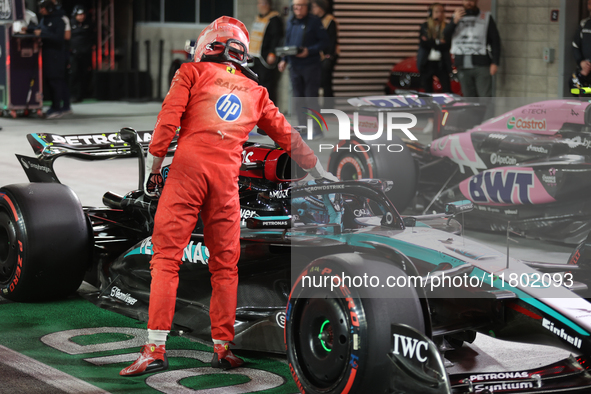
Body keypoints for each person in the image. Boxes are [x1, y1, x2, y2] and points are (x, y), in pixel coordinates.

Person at [120, 16, 337, 376]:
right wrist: (318, 170)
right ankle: (223, 348)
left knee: (166, 260)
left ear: (207, 45)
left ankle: (155, 348)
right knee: (225, 266)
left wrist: (155, 167)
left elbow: (167, 121)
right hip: (226, 181)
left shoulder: (190, 73)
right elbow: (287, 136)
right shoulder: (257, 92)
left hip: (188, 172)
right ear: (241, 53)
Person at [443, 0, 500, 97]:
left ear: (476, 1)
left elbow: (495, 41)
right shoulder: (456, 17)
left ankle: (488, 113)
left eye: (471, 0)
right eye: (466, 0)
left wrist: (495, 62)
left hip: (481, 65)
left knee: (485, 97)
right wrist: (454, 22)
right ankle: (472, 113)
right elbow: (445, 35)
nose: (469, 3)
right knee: (469, 98)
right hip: (462, 65)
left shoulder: (486, 17)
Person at [278, 0, 330, 98]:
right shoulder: (290, 21)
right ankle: (300, 114)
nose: (299, 8)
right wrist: (284, 60)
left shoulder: (314, 21)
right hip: (294, 66)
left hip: (310, 66)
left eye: (302, 5)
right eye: (296, 5)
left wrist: (309, 51)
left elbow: (325, 42)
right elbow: (287, 41)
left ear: (308, 7)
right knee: (297, 98)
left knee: (311, 98)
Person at [32, 0, 67, 119]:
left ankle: (58, 108)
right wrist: (28, 29)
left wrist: (42, 32)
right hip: (46, 55)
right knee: (48, 82)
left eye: (43, 8)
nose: (41, 10)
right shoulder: (44, 20)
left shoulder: (59, 21)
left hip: (56, 56)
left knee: (55, 81)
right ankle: (53, 106)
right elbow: (37, 29)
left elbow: (58, 38)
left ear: (49, 8)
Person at [250, 0, 283, 105]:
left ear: (268, 5)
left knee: (267, 84)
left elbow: (276, 38)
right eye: (259, 3)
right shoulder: (258, 18)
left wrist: (272, 53)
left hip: (265, 57)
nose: (260, 6)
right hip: (255, 56)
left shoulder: (274, 19)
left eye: (263, 3)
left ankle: (268, 109)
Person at [417, 3, 452, 93]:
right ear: (431, 13)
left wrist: (431, 41)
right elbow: (424, 43)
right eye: (436, 11)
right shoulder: (425, 26)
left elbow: (446, 45)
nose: (439, 14)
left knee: (446, 89)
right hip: (427, 62)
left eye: (441, 12)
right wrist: (438, 42)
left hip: (442, 63)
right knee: (427, 90)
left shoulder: (447, 27)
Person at [311, 0, 338, 98]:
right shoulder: (315, 20)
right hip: (317, 56)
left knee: (326, 82)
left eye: (314, 7)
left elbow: (332, 39)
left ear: (320, 7)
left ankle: (329, 108)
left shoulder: (330, 20)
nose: (313, 9)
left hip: (327, 56)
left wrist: (328, 56)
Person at [70, 5, 94, 102]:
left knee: (84, 74)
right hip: (74, 54)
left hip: (85, 53)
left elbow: (93, 38)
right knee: (74, 73)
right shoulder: (71, 24)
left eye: (83, 15)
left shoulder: (89, 24)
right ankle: (72, 95)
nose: (81, 17)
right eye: (79, 15)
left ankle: (82, 95)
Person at [572, 0, 591, 93]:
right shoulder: (584, 24)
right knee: (575, 90)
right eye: (589, 3)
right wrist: (581, 62)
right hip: (585, 71)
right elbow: (575, 45)